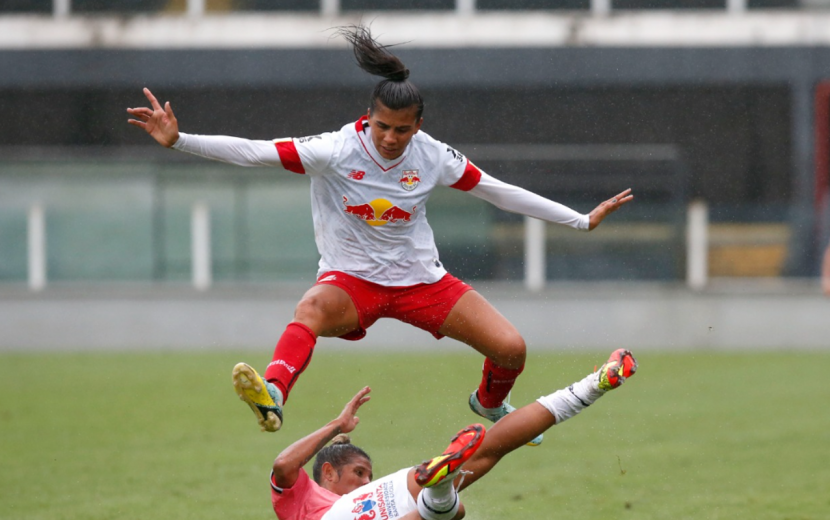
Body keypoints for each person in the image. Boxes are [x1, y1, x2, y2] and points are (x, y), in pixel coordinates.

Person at [126, 25, 634, 441]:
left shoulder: (433, 156)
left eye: (402, 130)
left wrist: (580, 219)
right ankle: (273, 393)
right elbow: (253, 151)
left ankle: (488, 402)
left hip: (422, 282)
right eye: (381, 127)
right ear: (367, 118)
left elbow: (498, 191)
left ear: (418, 125)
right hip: (352, 282)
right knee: (310, 309)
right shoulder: (333, 150)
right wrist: (179, 140)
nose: (390, 138)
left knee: (512, 349)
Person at [251, 348, 638, 520]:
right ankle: (592, 385)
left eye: (367, 474)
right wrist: (336, 425)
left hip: (379, 510)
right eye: (359, 473)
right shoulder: (303, 501)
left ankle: (439, 488)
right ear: (328, 472)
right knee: (474, 468)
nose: (365, 480)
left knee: (469, 481)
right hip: (354, 514)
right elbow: (284, 464)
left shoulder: (338, 499)